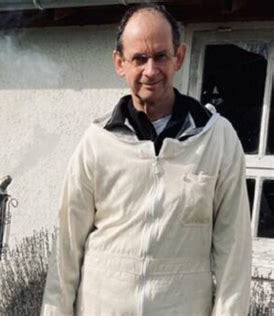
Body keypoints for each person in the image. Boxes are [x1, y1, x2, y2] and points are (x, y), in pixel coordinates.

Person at [41, 4, 252, 315]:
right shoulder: (97, 142)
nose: (151, 70)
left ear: (179, 57)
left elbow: (234, 254)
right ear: (119, 63)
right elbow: (66, 251)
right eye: (139, 58)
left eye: (161, 56)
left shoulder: (216, 139)